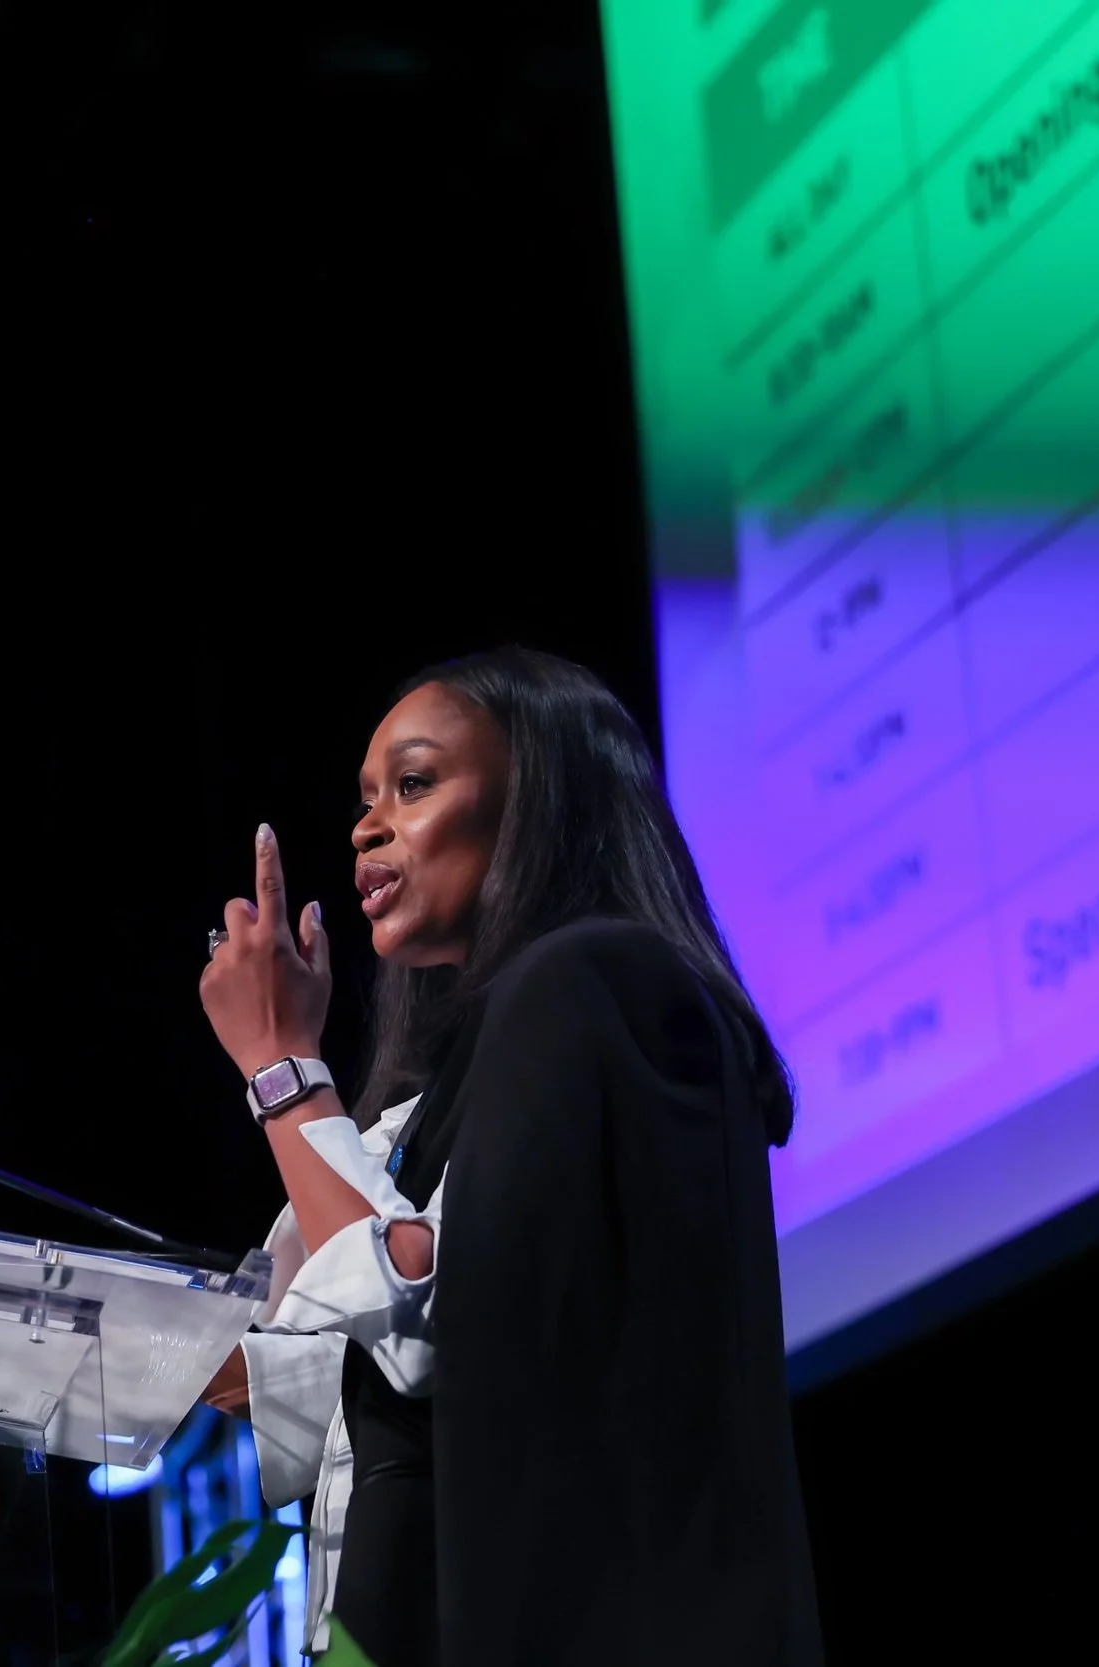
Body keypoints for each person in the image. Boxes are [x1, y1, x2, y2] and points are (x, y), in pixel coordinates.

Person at [195, 647, 823, 1665]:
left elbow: (432, 1324)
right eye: (365, 797)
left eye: (413, 781)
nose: (365, 826)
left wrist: (281, 1070)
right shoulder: (435, 1100)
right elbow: (343, 1375)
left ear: (536, 794)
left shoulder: (597, 982)